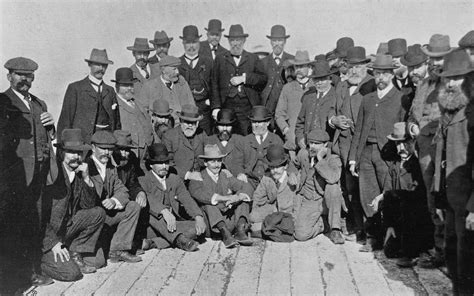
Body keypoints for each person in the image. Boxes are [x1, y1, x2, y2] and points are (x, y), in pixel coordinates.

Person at [0, 57, 56, 286]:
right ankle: (14, 277)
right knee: (13, 226)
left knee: (35, 223)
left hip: (39, 176)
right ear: (9, 77)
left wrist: (51, 127)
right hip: (15, 179)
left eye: (29, 76)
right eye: (20, 75)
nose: (25, 79)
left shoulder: (39, 104)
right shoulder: (3, 103)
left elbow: (47, 138)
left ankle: (32, 270)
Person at [348, 54, 407, 252]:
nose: (381, 77)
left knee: (388, 195)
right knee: (367, 194)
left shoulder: (399, 98)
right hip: (365, 152)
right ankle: (373, 237)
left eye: (385, 73)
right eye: (378, 73)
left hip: (387, 154)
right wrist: (353, 158)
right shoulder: (367, 99)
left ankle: (393, 239)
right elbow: (358, 130)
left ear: (392, 74)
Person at [430, 49, 474, 295]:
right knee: (452, 254)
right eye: (447, 79)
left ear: (469, 79)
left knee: (466, 259)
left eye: (457, 79)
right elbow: (442, 157)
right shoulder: (447, 111)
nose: (450, 84)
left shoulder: (471, 113)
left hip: (467, 203)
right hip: (450, 200)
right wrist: (438, 196)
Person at [408, 33, 454, 268]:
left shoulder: (455, 83)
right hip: (425, 152)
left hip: (446, 151)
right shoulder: (424, 84)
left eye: (440, 58)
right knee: (432, 198)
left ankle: (452, 253)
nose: (435, 63)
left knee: (449, 199)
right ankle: (440, 250)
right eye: (432, 59)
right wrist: (412, 125)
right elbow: (412, 114)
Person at [41, 129, 105, 281]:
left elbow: (89, 206)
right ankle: (38, 262)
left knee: (98, 213)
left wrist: (86, 178)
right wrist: (52, 243)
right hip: (46, 235)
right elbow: (39, 216)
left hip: (66, 230)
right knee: (72, 274)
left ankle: (75, 251)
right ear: (62, 152)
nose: (76, 157)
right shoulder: (52, 173)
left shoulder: (78, 174)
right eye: (72, 152)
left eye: (80, 152)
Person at [369, 122, 433, 268]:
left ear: (413, 142)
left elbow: (418, 196)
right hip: (399, 217)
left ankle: (415, 251)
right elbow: (388, 191)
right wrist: (390, 224)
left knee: (408, 204)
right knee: (390, 251)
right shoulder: (395, 165)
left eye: (405, 143)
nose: (401, 148)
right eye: (397, 144)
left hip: (415, 218)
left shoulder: (418, 165)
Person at [331, 46, 376, 242]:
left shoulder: (371, 84)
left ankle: (370, 230)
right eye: (351, 66)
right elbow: (331, 111)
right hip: (344, 143)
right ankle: (357, 226)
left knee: (365, 187)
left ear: (366, 66)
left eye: (359, 66)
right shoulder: (341, 86)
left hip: (364, 144)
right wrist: (334, 121)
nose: (355, 71)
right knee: (350, 188)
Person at [86, 131, 142, 264]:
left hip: (106, 216)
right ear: (93, 148)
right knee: (98, 263)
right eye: (103, 148)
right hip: (91, 220)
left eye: (110, 149)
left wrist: (113, 200)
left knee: (133, 206)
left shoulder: (110, 167)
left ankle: (118, 250)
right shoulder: (86, 167)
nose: (107, 152)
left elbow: (122, 190)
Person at [139, 143, 206, 252]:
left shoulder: (174, 179)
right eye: (159, 163)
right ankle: (181, 240)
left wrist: (198, 216)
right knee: (151, 213)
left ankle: (153, 243)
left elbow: (186, 198)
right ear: (151, 165)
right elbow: (148, 199)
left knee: (199, 227)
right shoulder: (144, 180)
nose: (164, 166)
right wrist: (164, 211)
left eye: (166, 162)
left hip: (172, 225)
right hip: (152, 225)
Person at [189, 144, 254, 248]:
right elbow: (201, 195)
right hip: (213, 226)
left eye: (219, 161)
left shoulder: (225, 175)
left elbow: (246, 186)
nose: (216, 165)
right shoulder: (198, 177)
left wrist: (238, 197)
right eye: (212, 161)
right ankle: (225, 235)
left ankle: (240, 231)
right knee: (209, 204)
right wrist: (227, 198)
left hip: (229, 220)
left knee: (243, 199)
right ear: (205, 163)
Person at [211, 24, 267, 135]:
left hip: (247, 107)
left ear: (244, 40)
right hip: (227, 105)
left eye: (238, 40)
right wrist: (216, 107)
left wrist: (244, 78)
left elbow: (263, 79)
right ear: (229, 41)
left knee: (246, 135)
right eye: (232, 40)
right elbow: (214, 84)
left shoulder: (253, 58)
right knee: (226, 135)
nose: (235, 43)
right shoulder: (220, 58)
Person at [57, 48, 120, 144]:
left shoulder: (110, 91)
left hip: (105, 145)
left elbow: (117, 123)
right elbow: (65, 122)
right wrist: (63, 150)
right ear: (89, 64)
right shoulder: (75, 88)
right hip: (82, 144)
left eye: (104, 65)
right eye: (97, 64)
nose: (100, 68)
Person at [293, 129, 344, 244]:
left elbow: (333, 178)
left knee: (333, 187)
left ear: (325, 145)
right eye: (311, 143)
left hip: (326, 201)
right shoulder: (303, 153)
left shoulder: (333, 158)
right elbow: (293, 164)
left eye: (317, 144)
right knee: (300, 235)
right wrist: (292, 173)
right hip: (310, 200)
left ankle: (335, 229)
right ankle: (324, 224)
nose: (313, 147)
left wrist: (320, 160)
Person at [250, 144, 300, 234]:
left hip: (288, 213)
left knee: (291, 227)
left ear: (285, 166)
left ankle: (272, 227)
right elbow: (258, 196)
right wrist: (256, 209)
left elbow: (298, 200)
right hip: (273, 210)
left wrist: (295, 218)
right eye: (272, 167)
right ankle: (272, 227)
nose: (275, 171)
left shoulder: (292, 179)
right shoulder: (267, 178)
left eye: (278, 167)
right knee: (253, 218)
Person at [111, 130, 148, 252]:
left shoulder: (129, 161)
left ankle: (130, 243)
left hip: (124, 202)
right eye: (120, 149)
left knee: (138, 203)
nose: (124, 153)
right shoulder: (108, 164)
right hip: (110, 205)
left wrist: (140, 192)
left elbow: (133, 183)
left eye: (127, 150)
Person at [275, 50, 313, 153]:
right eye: (297, 67)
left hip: (312, 141)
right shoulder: (288, 88)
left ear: (309, 67)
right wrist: (286, 130)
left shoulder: (315, 86)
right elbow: (279, 114)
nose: (299, 70)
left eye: (302, 67)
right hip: (292, 142)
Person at [138, 55, 195, 123]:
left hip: (181, 126)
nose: (177, 72)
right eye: (174, 69)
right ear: (163, 70)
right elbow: (143, 111)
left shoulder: (182, 84)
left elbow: (192, 106)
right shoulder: (149, 86)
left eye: (177, 69)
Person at [178, 25, 214, 135]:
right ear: (183, 43)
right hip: (184, 113)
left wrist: (211, 103)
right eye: (188, 43)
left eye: (194, 42)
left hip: (204, 112)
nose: (191, 46)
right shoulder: (178, 64)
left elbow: (215, 87)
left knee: (205, 139)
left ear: (199, 42)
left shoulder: (209, 62)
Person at [113, 67, 153, 161]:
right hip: (127, 152)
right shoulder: (114, 104)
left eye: (131, 85)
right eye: (125, 86)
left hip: (145, 151)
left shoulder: (137, 102)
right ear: (117, 86)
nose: (129, 89)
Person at [295, 60, 337, 150]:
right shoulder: (308, 97)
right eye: (316, 79)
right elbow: (300, 122)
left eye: (323, 79)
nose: (319, 83)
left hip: (328, 147)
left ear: (330, 79)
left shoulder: (336, 96)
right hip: (308, 146)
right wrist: (300, 138)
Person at [239, 106, 284, 188]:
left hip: (270, 181)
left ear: (267, 123)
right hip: (249, 181)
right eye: (253, 122)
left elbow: (284, 160)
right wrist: (240, 173)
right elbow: (237, 162)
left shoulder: (276, 140)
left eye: (259, 122)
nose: (256, 125)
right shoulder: (244, 141)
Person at [162, 104, 206, 181]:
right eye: (186, 122)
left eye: (193, 123)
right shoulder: (169, 136)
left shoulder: (201, 134)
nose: (189, 126)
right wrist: (187, 175)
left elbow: (211, 152)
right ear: (180, 121)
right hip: (179, 180)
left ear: (197, 124)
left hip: (201, 178)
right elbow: (167, 163)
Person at [260, 25, 294, 114]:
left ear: (285, 41)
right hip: (267, 105)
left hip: (286, 105)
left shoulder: (292, 60)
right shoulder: (263, 62)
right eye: (274, 41)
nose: (277, 44)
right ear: (270, 42)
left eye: (280, 40)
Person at [205, 109, 245, 177]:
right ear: (217, 126)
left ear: (233, 126)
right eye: (222, 125)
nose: (225, 129)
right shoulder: (209, 141)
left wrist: (240, 174)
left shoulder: (240, 140)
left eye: (228, 125)